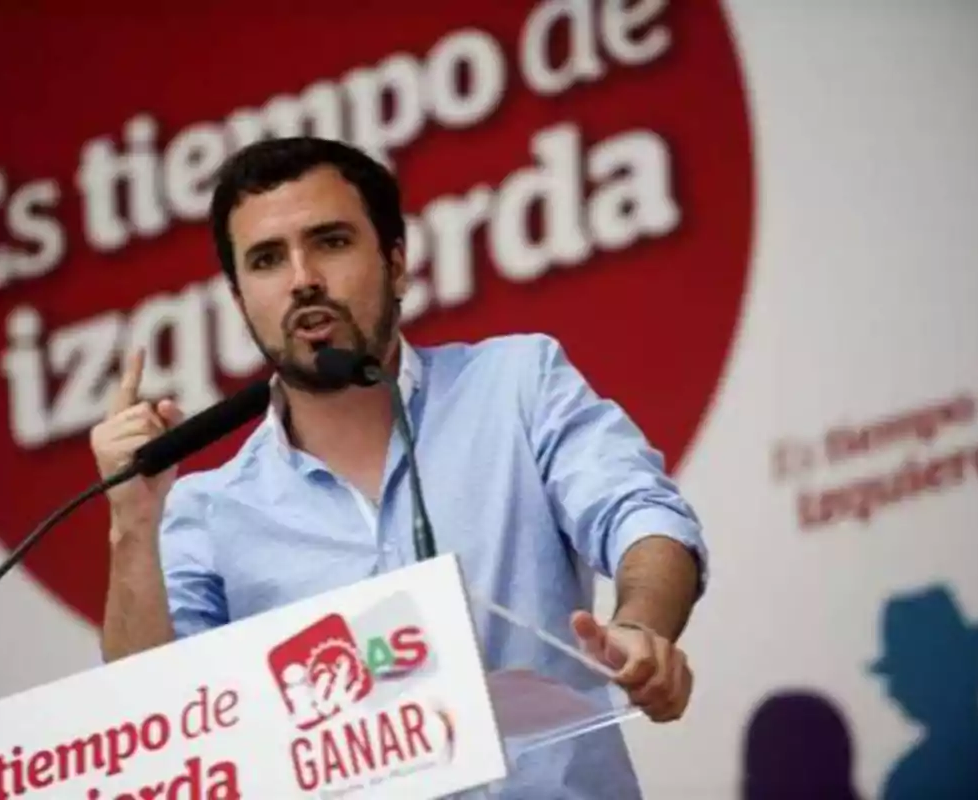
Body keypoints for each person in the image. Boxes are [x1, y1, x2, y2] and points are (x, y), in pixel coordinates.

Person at [90, 136, 709, 798]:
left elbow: (642, 513)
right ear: (240, 300)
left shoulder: (516, 384)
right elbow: (156, 724)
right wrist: (132, 522)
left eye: (330, 241)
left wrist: (642, 625)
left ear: (397, 263)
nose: (302, 279)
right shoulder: (207, 513)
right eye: (267, 260)